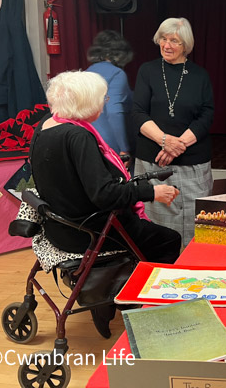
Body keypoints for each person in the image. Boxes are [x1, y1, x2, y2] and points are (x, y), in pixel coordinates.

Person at [29, 71, 182, 337]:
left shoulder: (45, 126)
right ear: (87, 103)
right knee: (168, 239)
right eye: (103, 98)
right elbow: (105, 195)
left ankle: (115, 297)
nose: (104, 103)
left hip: (60, 227)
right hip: (89, 232)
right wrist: (151, 192)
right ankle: (141, 304)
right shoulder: (78, 138)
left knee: (151, 235)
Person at [132, 17, 214, 247]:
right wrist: (165, 141)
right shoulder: (147, 71)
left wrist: (179, 145)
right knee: (156, 222)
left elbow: (207, 115)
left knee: (195, 221)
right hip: (152, 163)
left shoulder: (200, 76)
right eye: (163, 39)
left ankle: (193, 268)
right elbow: (138, 112)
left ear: (185, 45)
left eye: (174, 41)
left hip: (193, 162)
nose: (167, 45)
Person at [85, 30, 134, 166]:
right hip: (111, 145)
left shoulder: (87, 73)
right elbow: (114, 112)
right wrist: (124, 149)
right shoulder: (117, 74)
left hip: (88, 142)